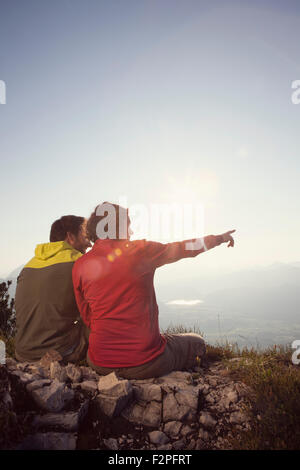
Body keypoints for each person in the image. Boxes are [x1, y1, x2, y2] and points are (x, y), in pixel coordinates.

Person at [72, 202, 235, 379]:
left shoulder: (80, 265)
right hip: (146, 362)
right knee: (197, 341)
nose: (130, 231)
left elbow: (87, 317)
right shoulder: (141, 251)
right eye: (127, 225)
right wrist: (219, 238)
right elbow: (184, 248)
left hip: (99, 362)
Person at [15, 215, 92, 363]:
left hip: (23, 353)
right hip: (61, 352)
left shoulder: (29, 265)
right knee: (102, 314)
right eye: (85, 236)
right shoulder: (80, 262)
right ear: (70, 237)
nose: (89, 243)